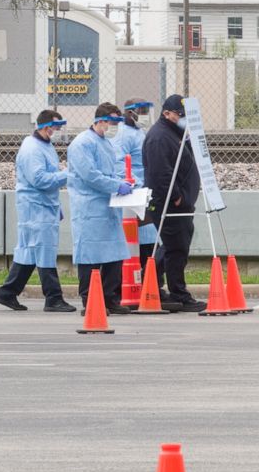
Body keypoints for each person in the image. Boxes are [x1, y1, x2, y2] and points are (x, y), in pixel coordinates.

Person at [0, 109, 75, 313]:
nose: (55, 132)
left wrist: (55, 206)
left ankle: (7, 293)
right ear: (45, 127)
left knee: (30, 251)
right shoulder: (33, 149)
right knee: (44, 250)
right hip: (36, 206)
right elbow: (39, 179)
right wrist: (67, 175)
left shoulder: (43, 145)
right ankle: (53, 298)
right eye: (54, 128)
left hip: (41, 206)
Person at [67, 102, 133, 314]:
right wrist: (116, 185)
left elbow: (111, 170)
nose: (114, 127)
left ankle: (110, 299)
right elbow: (90, 175)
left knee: (114, 255)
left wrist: (126, 183)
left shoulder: (105, 143)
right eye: (112, 122)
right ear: (100, 121)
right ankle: (90, 301)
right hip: (90, 207)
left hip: (107, 207)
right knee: (90, 257)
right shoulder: (82, 144)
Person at [143, 94, 205, 312]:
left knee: (172, 246)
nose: (182, 118)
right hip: (170, 203)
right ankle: (179, 294)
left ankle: (150, 284)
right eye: (179, 115)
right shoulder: (160, 137)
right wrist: (177, 197)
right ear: (166, 113)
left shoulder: (174, 132)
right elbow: (161, 173)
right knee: (176, 248)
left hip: (181, 202)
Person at [111, 98, 158, 271]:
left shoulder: (139, 132)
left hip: (145, 193)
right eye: (143, 112)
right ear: (130, 113)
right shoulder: (122, 135)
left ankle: (153, 283)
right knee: (140, 244)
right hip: (135, 193)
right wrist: (138, 184)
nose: (145, 116)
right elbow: (118, 164)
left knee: (150, 241)